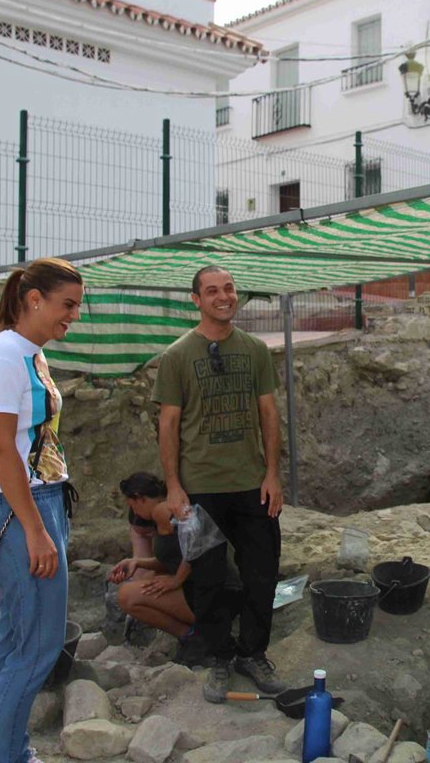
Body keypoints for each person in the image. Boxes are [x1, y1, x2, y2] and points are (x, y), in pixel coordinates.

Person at [153, 264, 285, 700]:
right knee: (207, 581)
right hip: (200, 490)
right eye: (212, 291)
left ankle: (253, 653)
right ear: (197, 300)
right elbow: (168, 425)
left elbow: (269, 413)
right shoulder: (177, 356)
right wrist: (173, 487)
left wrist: (272, 474)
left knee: (261, 575)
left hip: (251, 484)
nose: (223, 296)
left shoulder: (255, 350)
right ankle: (220, 658)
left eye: (228, 288)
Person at [0, 257, 82, 763]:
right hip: (22, 511)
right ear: (34, 300)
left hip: (37, 503)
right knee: (37, 646)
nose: (73, 316)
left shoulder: (29, 354)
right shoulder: (4, 356)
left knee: (15, 639)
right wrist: (37, 531)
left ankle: (4, 751)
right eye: (67, 305)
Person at [106, 472, 212, 665]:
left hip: (210, 593)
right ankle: (194, 635)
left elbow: (197, 542)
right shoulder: (166, 510)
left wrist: (177, 580)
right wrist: (137, 562)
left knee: (127, 596)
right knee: (148, 582)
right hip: (206, 588)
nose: (135, 513)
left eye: (133, 506)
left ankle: (193, 637)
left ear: (140, 498)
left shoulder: (162, 510)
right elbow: (174, 558)